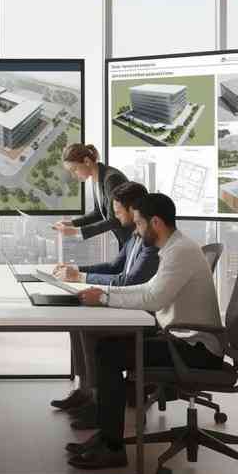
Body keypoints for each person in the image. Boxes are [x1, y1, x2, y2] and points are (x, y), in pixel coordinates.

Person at [64, 192, 225, 470]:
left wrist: (104, 297)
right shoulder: (174, 248)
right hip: (183, 341)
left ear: (156, 223)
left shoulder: (181, 252)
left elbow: (153, 299)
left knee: (108, 353)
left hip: (194, 350)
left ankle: (112, 447)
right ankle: (106, 437)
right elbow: (149, 289)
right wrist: (105, 292)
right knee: (108, 346)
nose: (136, 231)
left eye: (139, 224)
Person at [48, 181, 159, 428]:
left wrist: (82, 278)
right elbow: (113, 267)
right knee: (76, 324)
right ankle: (85, 390)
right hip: (128, 304)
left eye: (119, 211)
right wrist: (76, 270)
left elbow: (131, 280)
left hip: (141, 313)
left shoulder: (151, 240)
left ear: (133, 210)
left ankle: (98, 404)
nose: (116, 217)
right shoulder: (134, 235)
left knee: (89, 328)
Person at [47, 143, 132, 407]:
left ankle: (91, 394)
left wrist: (79, 234)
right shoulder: (98, 178)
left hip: (130, 244)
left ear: (87, 160)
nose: (74, 175)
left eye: (74, 169)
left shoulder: (112, 178)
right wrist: (72, 223)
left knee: (84, 318)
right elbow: (100, 213)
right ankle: (85, 390)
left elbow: (117, 219)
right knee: (78, 320)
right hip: (125, 246)